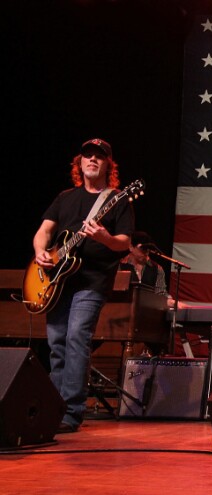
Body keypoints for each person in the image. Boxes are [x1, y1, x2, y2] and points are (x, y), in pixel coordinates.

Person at [32, 138, 135, 433]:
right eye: (87, 155)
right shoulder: (65, 198)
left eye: (99, 157)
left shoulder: (118, 199)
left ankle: (71, 412)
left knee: (77, 336)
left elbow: (124, 242)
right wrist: (40, 252)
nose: (92, 159)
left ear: (108, 165)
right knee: (57, 343)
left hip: (92, 280)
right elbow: (44, 232)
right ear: (79, 163)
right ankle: (54, 408)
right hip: (59, 282)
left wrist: (104, 237)